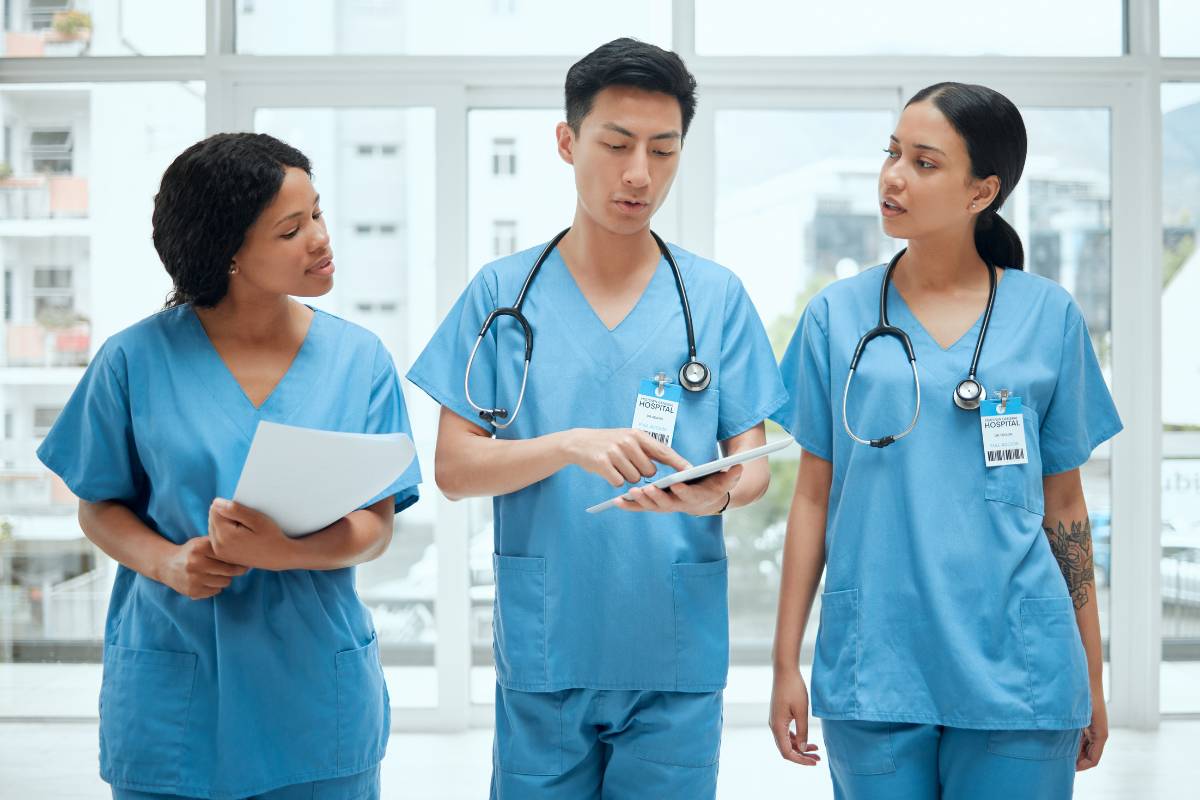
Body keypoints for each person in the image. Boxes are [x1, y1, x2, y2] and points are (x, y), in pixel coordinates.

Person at [406, 38, 786, 799]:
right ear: (567, 141)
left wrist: (715, 492)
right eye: (616, 144)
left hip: (672, 653)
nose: (639, 173)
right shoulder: (501, 297)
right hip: (551, 648)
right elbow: (452, 470)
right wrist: (568, 445)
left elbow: (754, 465)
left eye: (663, 150)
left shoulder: (713, 298)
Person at [37, 132, 420, 799]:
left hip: (314, 698)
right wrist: (167, 563)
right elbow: (97, 505)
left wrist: (284, 553)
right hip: (174, 695)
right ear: (230, 253)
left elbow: (377, 525)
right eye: (290, 229)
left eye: (318, 215)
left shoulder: (361, 361)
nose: (321, 239)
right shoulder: (132, 361)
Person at [768, 82, 1121, 799]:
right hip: (877, 666)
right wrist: (784, 664)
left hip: (1020, 671)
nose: (894, 175)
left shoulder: (1047, 316)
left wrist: (1091, 674)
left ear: (981, 191)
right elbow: (812, 497)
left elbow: (1065, 505)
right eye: (893, 152)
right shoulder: (835, 317)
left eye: (925, 162)